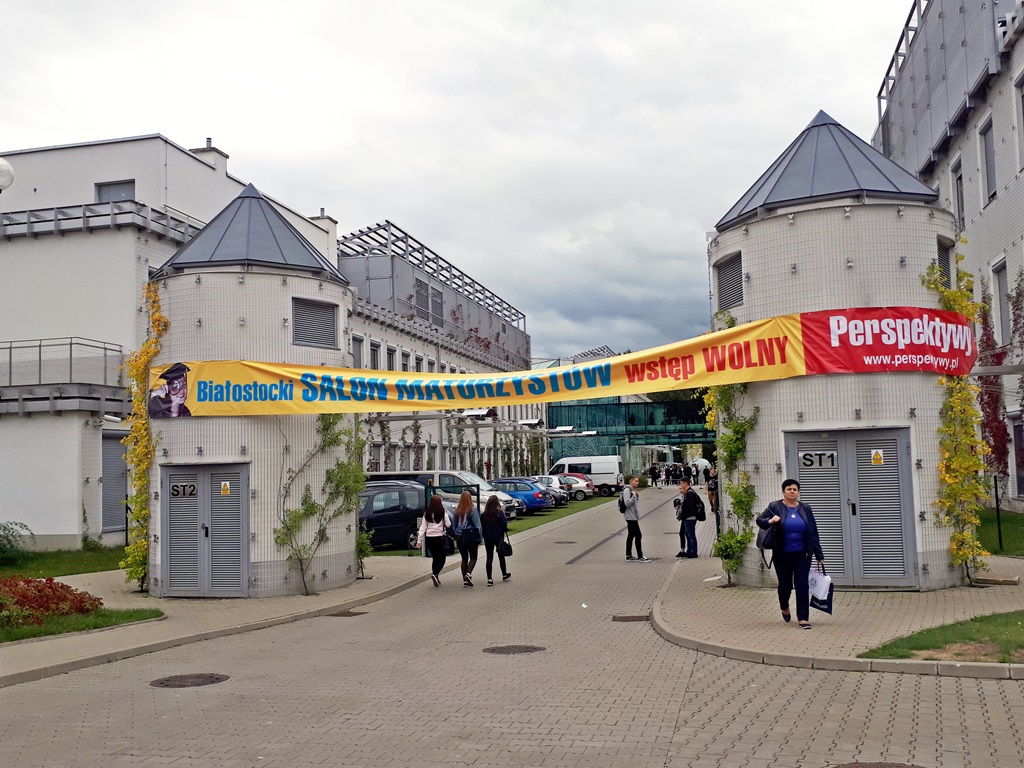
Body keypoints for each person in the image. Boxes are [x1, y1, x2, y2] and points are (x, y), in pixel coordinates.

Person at [756, 479, 825, 629]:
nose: (792, 491)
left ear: (798, 492)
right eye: (789, 489)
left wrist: (819, 555)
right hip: (782, 554)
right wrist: (770, 521)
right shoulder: (775, 506)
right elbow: (760, 520)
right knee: (785, 585)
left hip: (802, 554)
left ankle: (803, 618)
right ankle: (784, 607)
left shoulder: (806, 508)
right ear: (783, 492)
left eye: (795, 489)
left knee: (802, 585)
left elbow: (813, 532)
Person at [416, 494, 453, 587]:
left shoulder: (427, 513)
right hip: (439, 538)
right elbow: (448, 524)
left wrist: (419, 541)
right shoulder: (442, 512)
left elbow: (423, 527)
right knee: (442, 558)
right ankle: (435, 574)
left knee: (435, 558)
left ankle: (435, 575)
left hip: (429, 539)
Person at [452, 490, 483, 586]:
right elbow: (478, 525)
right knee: (473, 557)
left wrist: (457, 533)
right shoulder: (472, 510)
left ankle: (465, 580)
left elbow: (454, 524)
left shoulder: (457, 510)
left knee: (464, 558)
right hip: (470, 536)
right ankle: (468, 574)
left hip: (460, 537)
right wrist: (480, 538)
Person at [480, 495, 511, 586]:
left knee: (489, 557)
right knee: (501, 556)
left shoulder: (484, 515)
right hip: (498, 538)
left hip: (488, 538)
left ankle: (489, 579)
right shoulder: (499, 513)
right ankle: (504, 574)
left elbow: (482, 527)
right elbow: (504, 525)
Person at [621, 475, 650, 562]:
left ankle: (628, 555)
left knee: (631, 535)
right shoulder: (627, 490)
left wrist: (636, 495)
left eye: (638, 481)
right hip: (630, 517)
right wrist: (634, 496)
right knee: (638, 535)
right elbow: (627, 503)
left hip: (633, 516)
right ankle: (640, 556)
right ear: (631, 481)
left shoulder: (632, 490)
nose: (638, 482)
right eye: (636, 481)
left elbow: (634, 504)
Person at [673, 478, 700, 558]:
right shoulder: (688, 493)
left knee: (691, 536)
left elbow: (689, 507)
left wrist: (683, 514)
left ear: (685, 483)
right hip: (688, 518)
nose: (680, 485)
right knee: (688, 535)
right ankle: (689, 551)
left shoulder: (690, 493)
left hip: (690, 518)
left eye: (681, 483)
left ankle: (694, 553)